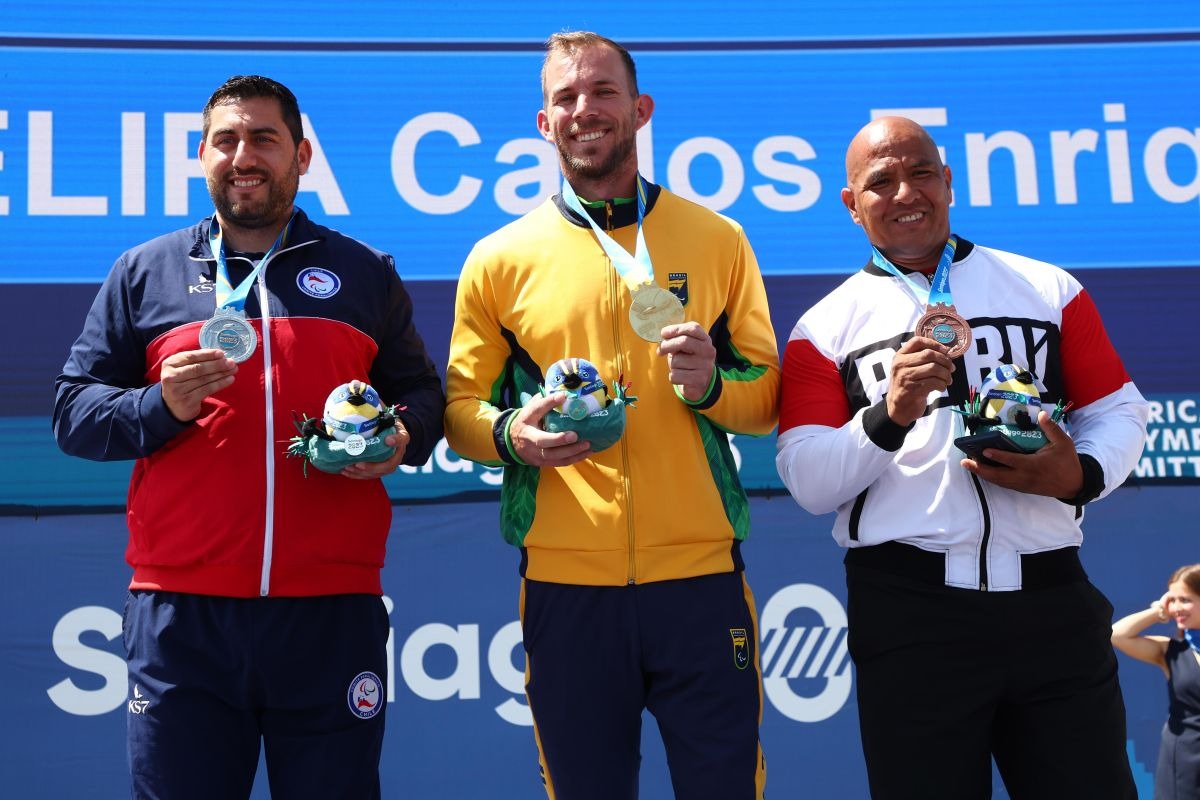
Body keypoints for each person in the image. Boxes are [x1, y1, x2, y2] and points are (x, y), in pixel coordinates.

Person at [52, 75, 444, 799]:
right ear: (202, 154)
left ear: (302, 154)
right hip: (183, 616)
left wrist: (400, 436)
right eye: (226, 140)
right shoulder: (143, 273)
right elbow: (73, 413)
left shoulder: (364, 273)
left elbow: (423, 396)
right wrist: (160, 406)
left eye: (264, 138)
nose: (244, 157)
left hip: (330, 610)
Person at [443, 31, 778, 800]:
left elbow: (765, 398)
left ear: (640, 108)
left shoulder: (718, 238)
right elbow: (460, 409)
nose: (584, 110)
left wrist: (711, 387)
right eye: (565, 98)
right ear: (544, 123)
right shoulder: (499, 258)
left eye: (602, 92)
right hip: (567, 588)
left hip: (701, 582)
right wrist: (511, 434)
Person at [775, 116, 1149, 799]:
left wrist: (1083, 474)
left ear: (948, 182)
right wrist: (889, 414)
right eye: (880, 182)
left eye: (921, 173)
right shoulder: (822, 328)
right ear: (851, 204)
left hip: (1051, 600)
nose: (905, 193)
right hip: (912, 613)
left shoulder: (1047, 288)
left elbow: (1119, 410)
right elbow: (807, 478)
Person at [1112, 565, 1200, 799]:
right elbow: (1118, 635)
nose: (1176, 607)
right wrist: (1159, 611)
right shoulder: (1171, 651)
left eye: (1185, 600)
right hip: (1185, 761)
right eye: (1173, 600)